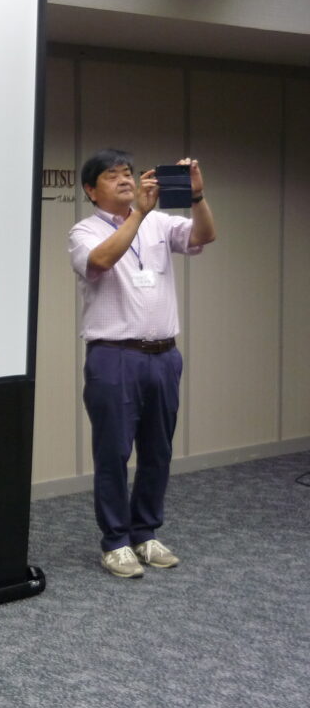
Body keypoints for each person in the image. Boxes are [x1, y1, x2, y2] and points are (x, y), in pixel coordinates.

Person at [69, 149, 217, 579]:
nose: (125, 180)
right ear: (91, 190)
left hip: (164, 356)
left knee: (158, 450)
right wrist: (137, 214)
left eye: (129, 173)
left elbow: (205, 235)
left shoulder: (160, 223)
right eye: (112, 175)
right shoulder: (83, 231)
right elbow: (100, 261)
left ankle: (145, 532)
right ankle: (115, 541)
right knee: (114, 452)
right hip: (114, 357)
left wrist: (197, 197)